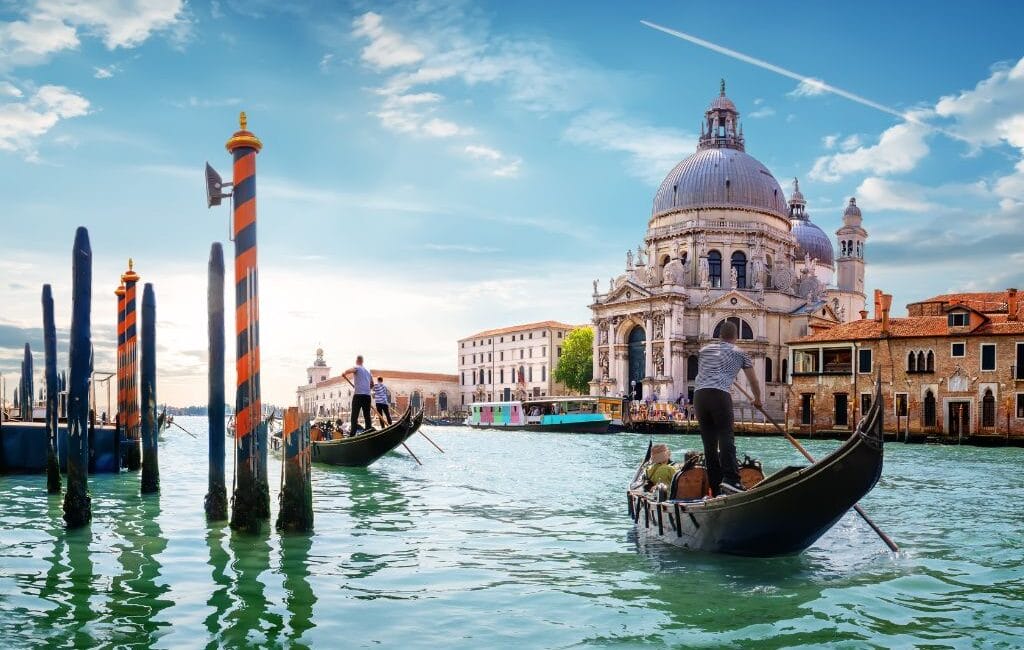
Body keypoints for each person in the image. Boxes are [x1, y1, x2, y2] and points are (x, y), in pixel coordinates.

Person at [693, 321, 762, 496]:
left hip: (699, 396)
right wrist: (758, 400)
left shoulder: (704, 351)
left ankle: (716, 488)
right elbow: (753, 381)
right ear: (736, 336)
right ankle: (731, 480)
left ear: (719, 336)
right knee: (726, 437)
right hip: (719, 395)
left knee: (709, 444)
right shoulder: (741, 353)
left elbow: (708, 372)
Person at [344, 355, 374, 434]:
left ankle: (352, 434)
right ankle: (368, 431)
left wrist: (344, 372)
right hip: (367, 396)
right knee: (367, 415)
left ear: (357, 360)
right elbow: (372, 384)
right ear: (362, 361)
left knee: (354, 416)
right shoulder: (368, 371)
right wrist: (366, 389)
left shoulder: (357, 367)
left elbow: (351, 370)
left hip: (358, 395)